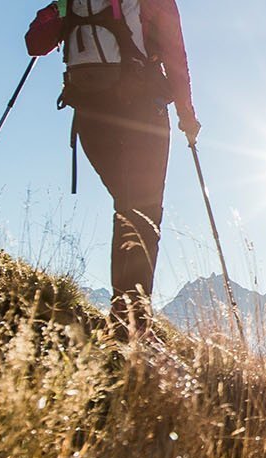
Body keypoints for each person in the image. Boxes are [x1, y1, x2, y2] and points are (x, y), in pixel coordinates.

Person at [27, 0, 200, 341]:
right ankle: (132, 324)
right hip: (143, 112)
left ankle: (125, 317)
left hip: (91, 116)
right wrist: (187, 116)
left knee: (127, 206)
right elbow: (175, 56)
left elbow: (35, 44)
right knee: (144, 212)